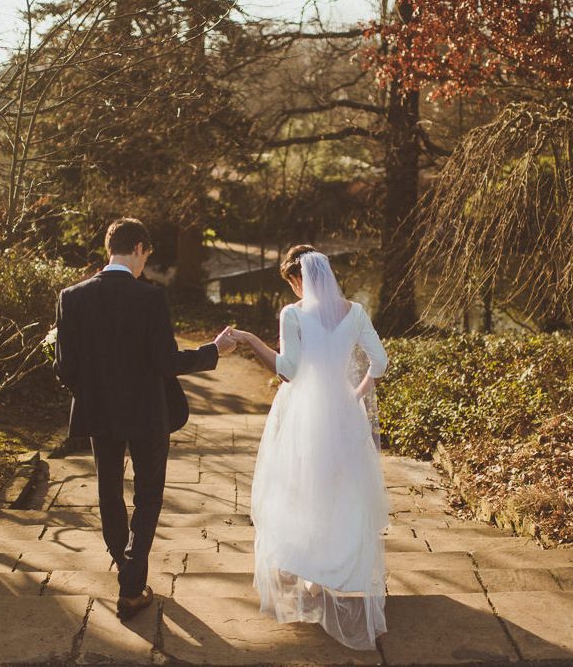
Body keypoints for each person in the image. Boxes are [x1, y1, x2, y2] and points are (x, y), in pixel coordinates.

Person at [53, 218, 236, 620]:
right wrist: (214, 350)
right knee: (149, 494)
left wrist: (95, 392)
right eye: (146, 255)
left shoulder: (71, 297)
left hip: (100, 412)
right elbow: (166, 361)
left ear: (109, 248)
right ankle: (132, 583)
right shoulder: (149, 298)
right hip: (148, 413)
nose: (144, 264)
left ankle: (126, 565)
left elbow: (66, 369)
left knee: (108, 490)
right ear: (138, 248)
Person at [229, 245, 389, 651]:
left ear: (299, 279)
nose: (297, 290)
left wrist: (249, 339)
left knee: (299, 488)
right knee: (343, 490)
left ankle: (312, 575)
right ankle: (338, 569)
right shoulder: (354, 312)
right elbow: (381, 362)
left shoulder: (293, 313)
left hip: (303, 413)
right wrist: (355, 393)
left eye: (293, 283)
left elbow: (289, 370)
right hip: (342, 409)